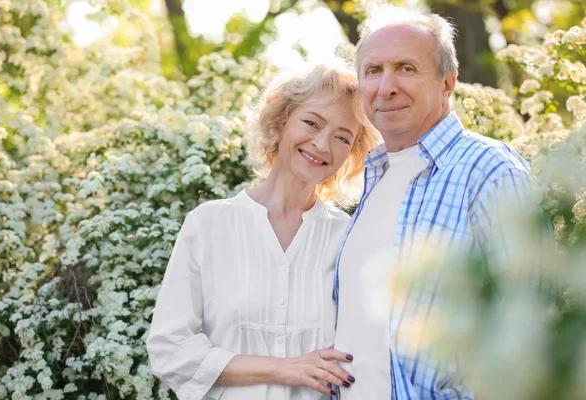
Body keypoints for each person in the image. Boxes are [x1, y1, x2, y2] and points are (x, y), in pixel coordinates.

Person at [333, 5, 534, 399]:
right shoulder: (371, 181)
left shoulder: (489, 171)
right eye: (373, 71)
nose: (386, 86)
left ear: (448, 83)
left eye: (406, 68)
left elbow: (526, 330)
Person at [146, 62, 380, 400]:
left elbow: (367, 354)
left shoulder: (349, 236)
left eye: (343, 137)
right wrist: (284, 368)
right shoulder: (208, 225)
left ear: (352, 153)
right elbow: (171, 350)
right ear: (281, 122)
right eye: (312, 122)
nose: (322, 144)